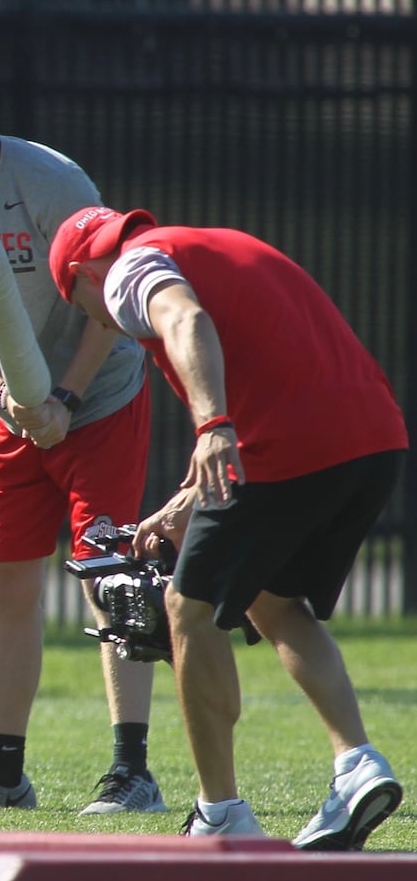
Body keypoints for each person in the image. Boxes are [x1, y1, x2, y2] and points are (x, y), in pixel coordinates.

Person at [48, 204, 407, 847]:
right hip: (373, 438)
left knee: (185, 608)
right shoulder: (210, 242)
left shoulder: (129, 271)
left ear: (81, 272)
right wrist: (187, 498)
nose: (95, 320)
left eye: (80, 304)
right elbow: (269, 360)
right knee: (273, 602)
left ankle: (221, 812)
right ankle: (356, 764)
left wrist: (213, 427)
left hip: (284, 447)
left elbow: (185, 318)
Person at [0, 37, 165, 815]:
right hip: (14, 410)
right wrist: (8, 394)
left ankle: (130, 773)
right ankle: (2, 773)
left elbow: (108, 297)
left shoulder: (51, 180)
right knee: (5, 580)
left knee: (109, 578)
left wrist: (64, 400)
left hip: (98, 397)